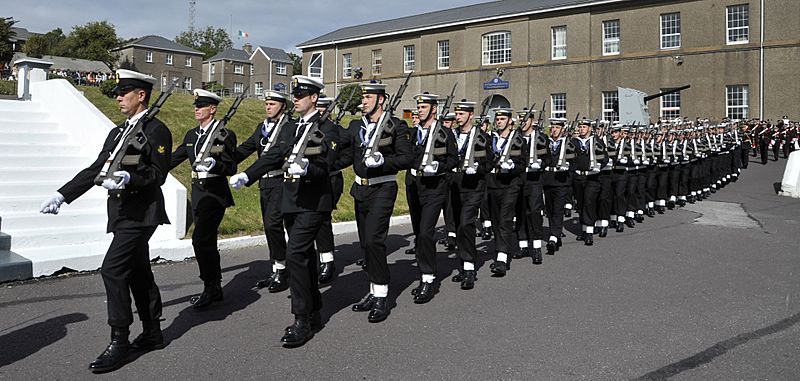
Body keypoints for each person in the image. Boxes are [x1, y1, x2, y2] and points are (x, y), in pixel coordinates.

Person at [39, 69, 171, 372]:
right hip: (122, 214)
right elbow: (97, 168)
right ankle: (152, 333)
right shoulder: (117, 132)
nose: (118, 98)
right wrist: (62, 195)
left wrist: (130, 178)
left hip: (142, 213)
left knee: (112, 270)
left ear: (141, 95)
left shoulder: (156, 130)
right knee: (138, 271)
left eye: (123, 92)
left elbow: (158, 175)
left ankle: (120, 341)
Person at [230, 75, 336, 347]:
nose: (295, 99)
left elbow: (325, 167)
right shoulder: (289, 128)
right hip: (290, 199)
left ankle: (301, 319)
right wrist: (248, 175)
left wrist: (308, 169)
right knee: (304, 257)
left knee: (295, 252)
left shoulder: (327, 128)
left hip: (313, 201)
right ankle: (314, 309)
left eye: (301, 94)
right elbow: (274, 155)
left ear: (314, 97)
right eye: (295, 95)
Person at [337, 82, 413, 322]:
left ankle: (382, 295)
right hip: (360, 189)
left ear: (381, 100)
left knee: (374, 241)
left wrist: (383, 161)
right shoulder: (356, 126)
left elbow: (407, 157)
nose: (364, 101)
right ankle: (372, 290)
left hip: (383, 187)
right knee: (365, 243)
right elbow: (345, 156)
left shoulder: (396, 126)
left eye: (368, 97)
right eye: (363, 97)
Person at [169, 89, 237, 309]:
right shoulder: (191, 135)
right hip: (198, 195)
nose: (196, 109)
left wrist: (215, 164)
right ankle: (214, 286)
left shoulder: (224, 134)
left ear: (213, 109)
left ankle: (210, 286)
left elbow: (231, 166)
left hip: (215, 195)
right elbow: (175, 158)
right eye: (195, 106)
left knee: (200, 240)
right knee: (207, 242)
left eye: (201, 106)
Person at [233, 90, 292, 293]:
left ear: (283, 105)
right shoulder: (262, 127)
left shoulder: (288, 127)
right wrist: (224, 161)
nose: (268, 107)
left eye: (273, 104)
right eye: (267, 103)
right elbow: (246, 148)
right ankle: (276, 268)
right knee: (269, 227)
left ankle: (283, 269)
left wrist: (249, 174)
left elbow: (275, 157)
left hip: (281, 180)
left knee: (273, 224)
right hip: (265, 183)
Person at [406, 92, 458, 303]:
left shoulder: (445, 133)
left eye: (424, 107)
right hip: (414, 185)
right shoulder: (412, 134)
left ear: (434, 109)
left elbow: (454, 158)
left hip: (435, 187)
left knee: (427, 232)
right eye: (419, 107)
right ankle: (422, 272)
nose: (420, 110)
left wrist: (439, 166)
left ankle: (428, 279)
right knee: (419, 233)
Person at [448, 99, 493, 288]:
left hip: (474, 186)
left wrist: (478, 167)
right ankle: (463, 262)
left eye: (461, 114)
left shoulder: (481, 137)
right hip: (454, 185)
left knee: (467, 223)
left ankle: (469, 268)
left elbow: (489, 163)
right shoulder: (451, 136)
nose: (458, 118)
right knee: (458, 226)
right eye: (457, 114)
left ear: (470, 115)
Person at [486, 108, 526, 275]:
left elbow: (523, 163)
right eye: (498, 119)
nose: (499, 121)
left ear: (510, 121)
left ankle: (502, 259)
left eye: (502, 119)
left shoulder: (518, 140)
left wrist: (513, 166)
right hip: (493, 183)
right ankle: (500, 249)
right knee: (495, 220)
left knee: (505, 218)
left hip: (511, 184)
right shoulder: (490, 139)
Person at [313, 96, 346, 286]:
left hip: (331, 179)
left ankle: (327, 261)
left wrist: (334, 165)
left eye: (321, 109)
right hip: (312, 179)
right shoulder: (310, 129)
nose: (318, 112)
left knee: (323, 218)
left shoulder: (337, 131)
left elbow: (350, 153)